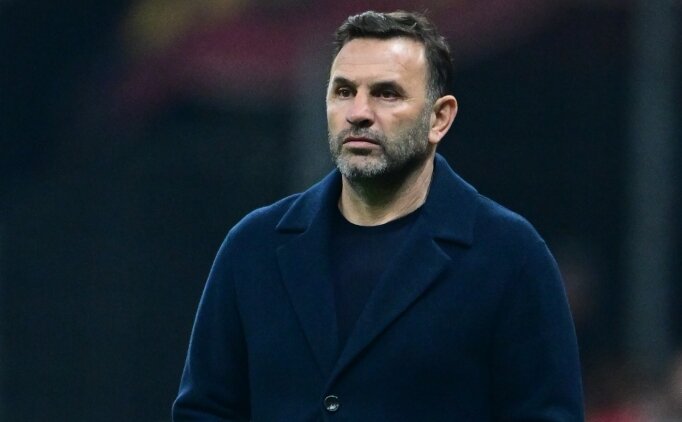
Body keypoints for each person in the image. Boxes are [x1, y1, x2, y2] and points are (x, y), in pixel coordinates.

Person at [172, 10, 584, 421]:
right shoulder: (253, 247)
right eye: (343, 91)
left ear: (439, 118)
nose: (358, 112)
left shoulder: (509, 255)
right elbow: (205, 411)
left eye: (386, 94)